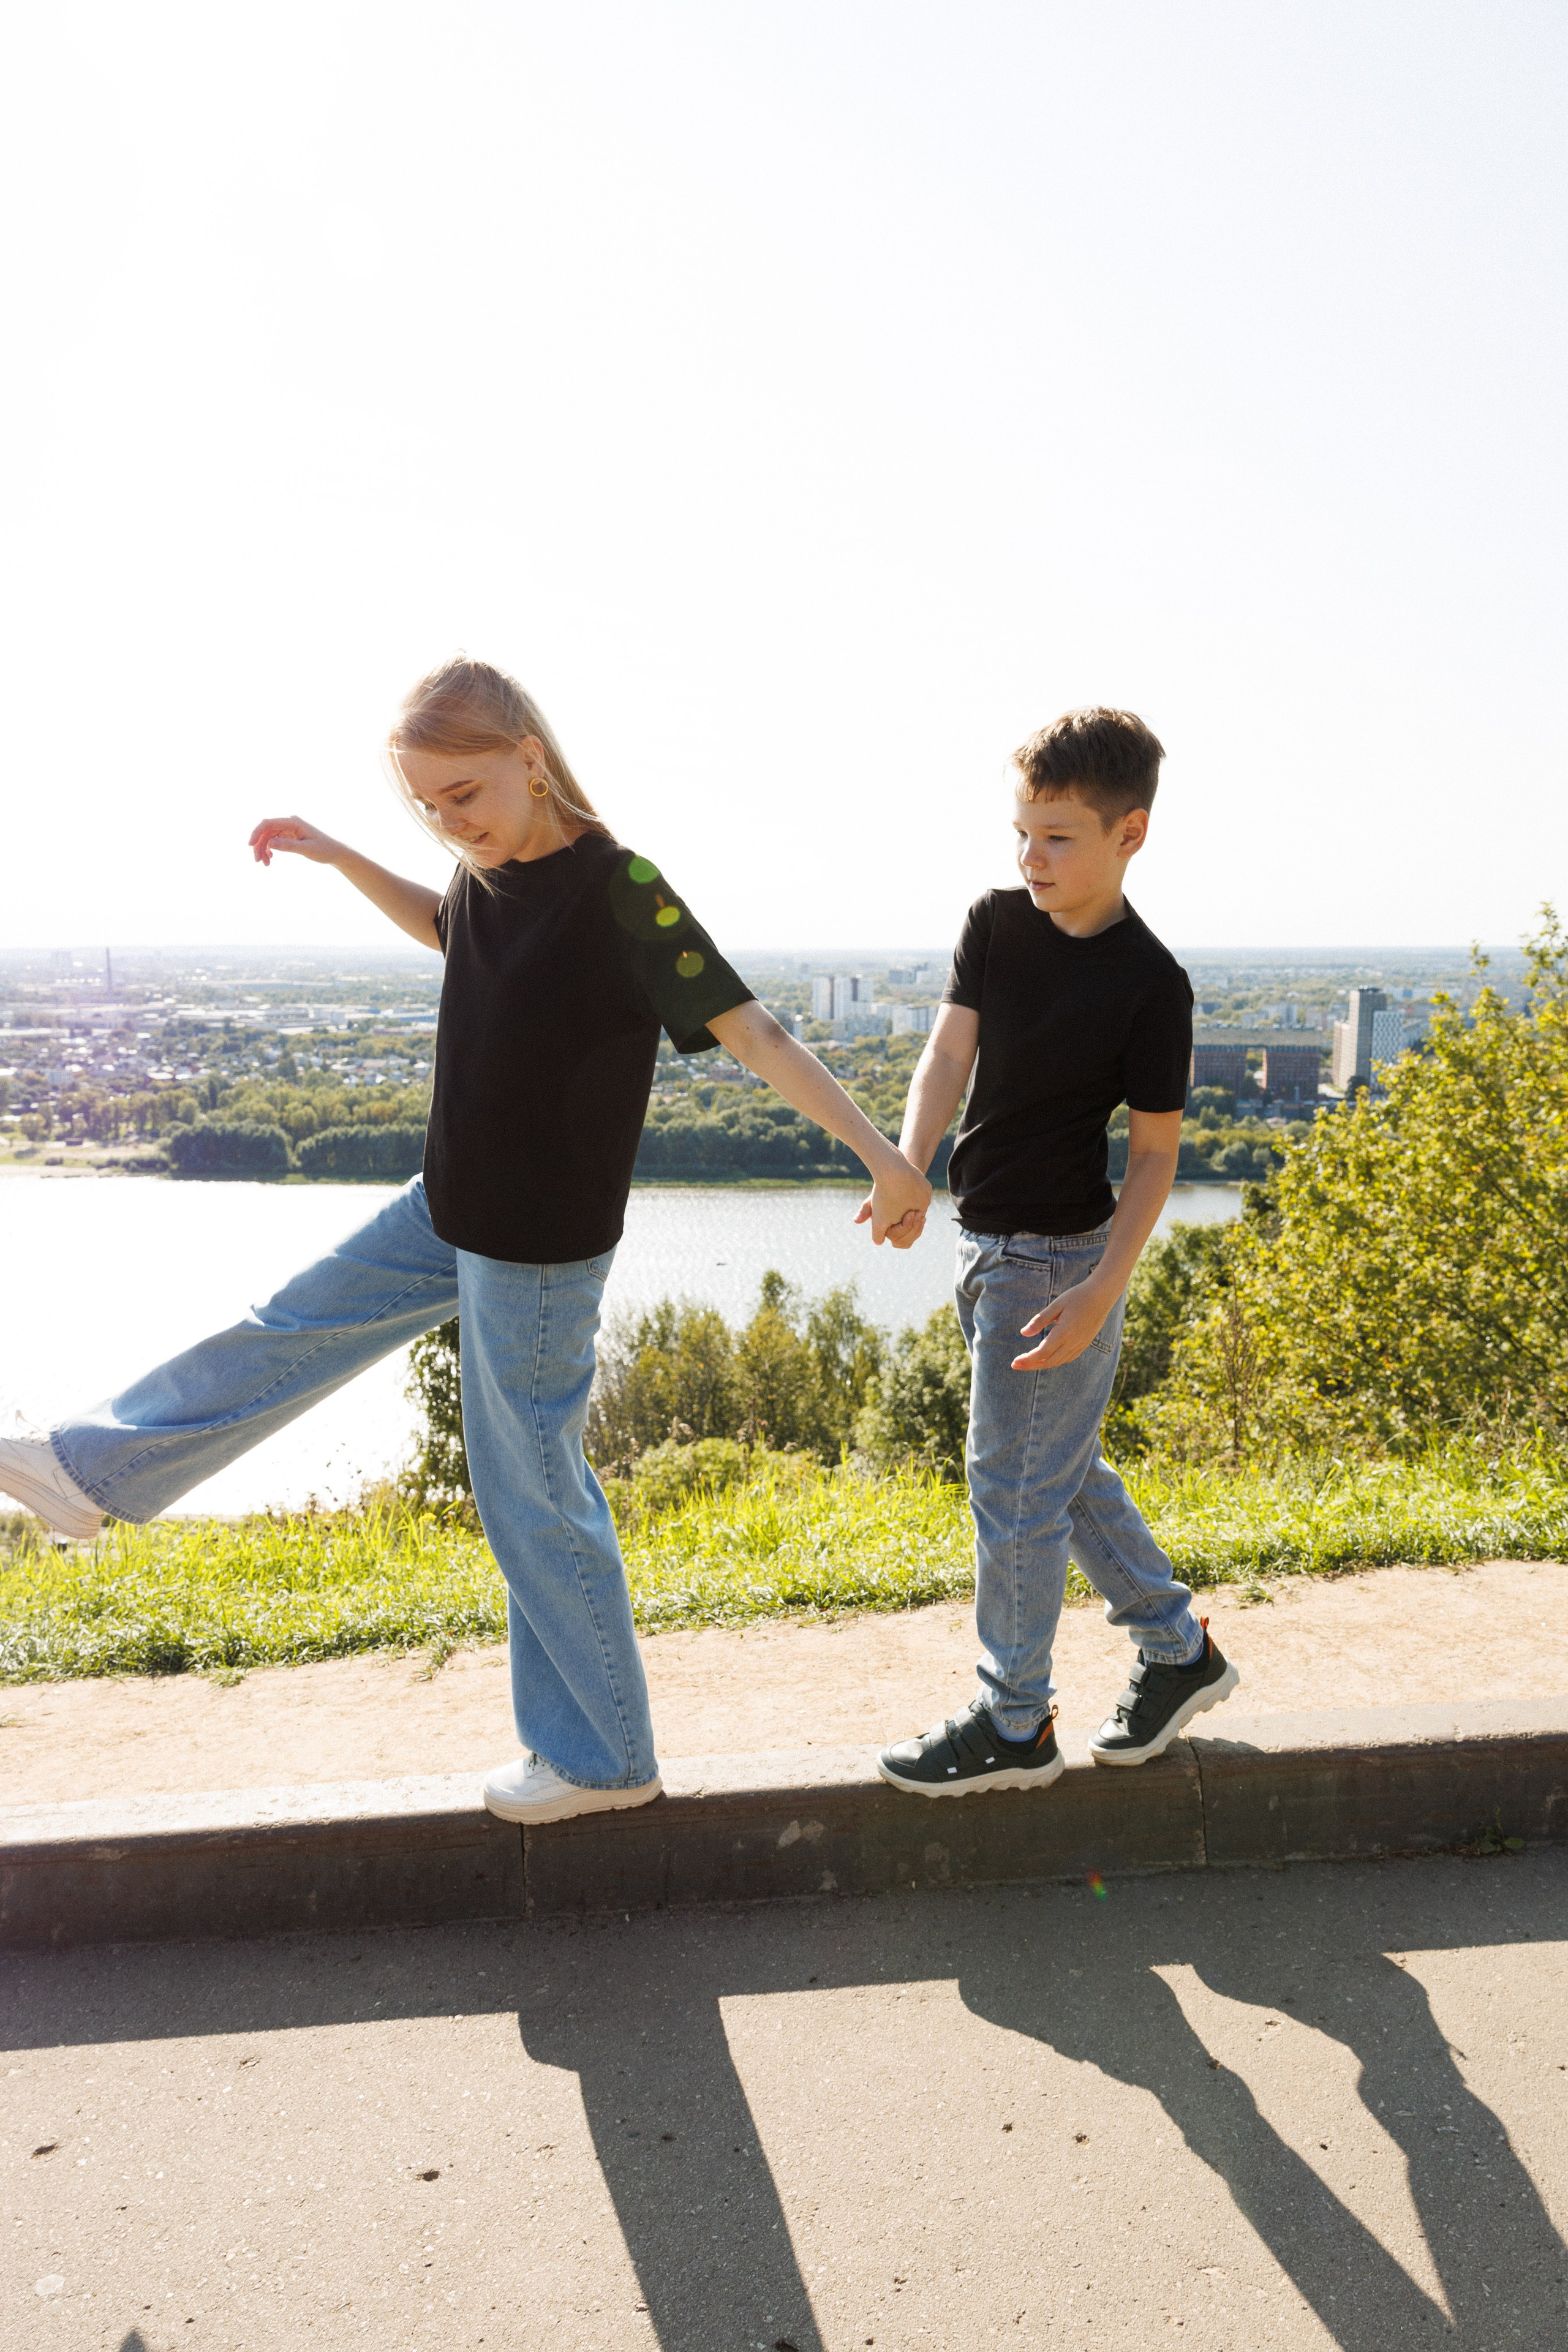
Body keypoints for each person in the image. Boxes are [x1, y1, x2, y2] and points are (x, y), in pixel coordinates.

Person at [0, 656, 931, 1824]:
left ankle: (603, 1759)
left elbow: (754, 1031)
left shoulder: (623, 889)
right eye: (428, 805)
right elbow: (450, 928)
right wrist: (343, 856)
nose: (451, 821)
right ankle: (89, 1474)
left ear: (530, 760)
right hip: (449, 1202)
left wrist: (883, 1157)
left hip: (535, 1246)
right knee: (289, 1326)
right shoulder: (486, 871)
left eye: (465, 794)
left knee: (531, 1491)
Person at [876, 707, 1238, 1797]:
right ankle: (1178, 1651)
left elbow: (1158, 1158)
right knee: (1053, 1469)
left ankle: (1015, 1721)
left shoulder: (1151, 984)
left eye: (1058, 838)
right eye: (1023, 834)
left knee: (1015, 1491)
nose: (1032, 858)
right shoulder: (997, 923)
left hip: (1056, 1265)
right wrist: (908, 1163)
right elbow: (949, 1056)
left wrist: (1100, 1289)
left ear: (1131, 834)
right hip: (983, 1242)